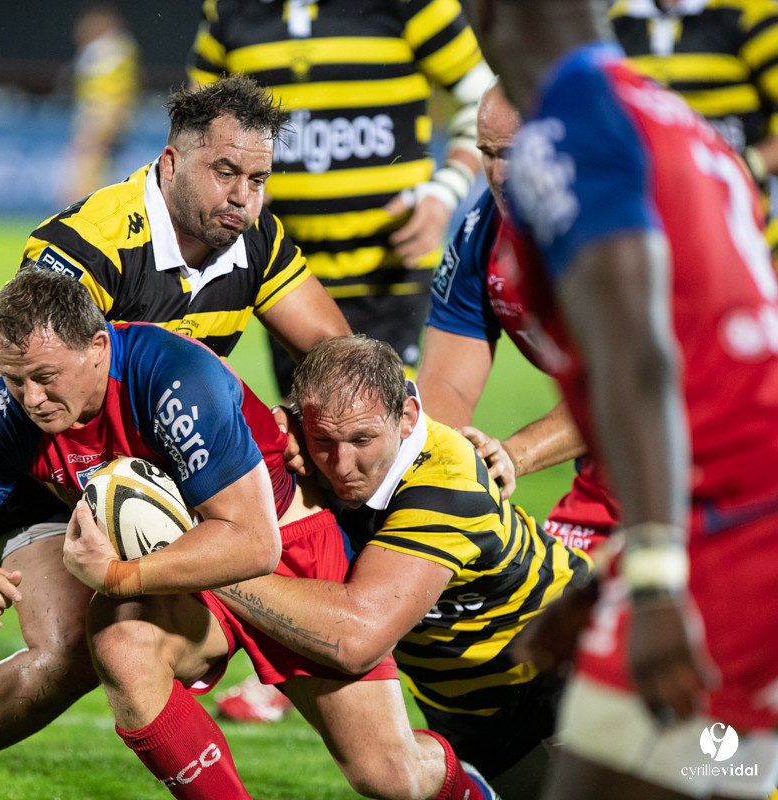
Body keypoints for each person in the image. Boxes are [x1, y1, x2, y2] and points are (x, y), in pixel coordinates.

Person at [0, 74, 350, 800]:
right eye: (224, 171)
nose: (242, 195)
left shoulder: (253, 240)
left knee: (73, 649)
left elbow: (332, 347)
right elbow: (16, 397)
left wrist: (309, 415)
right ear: (170, 164)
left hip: (85, 468)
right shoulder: (86, 246)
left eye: (257, 178)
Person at [0, 269, 499, 800]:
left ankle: (469, 793)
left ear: (99, 347)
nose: (32, 398)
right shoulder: (11, 411)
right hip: (188, 570)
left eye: (47, 378)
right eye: (15, 380)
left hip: (285, 549)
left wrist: (122, 575)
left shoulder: (173, 379)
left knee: (389, 776)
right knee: (122, 643)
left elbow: (251, 544)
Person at [470, 1, 778, 798]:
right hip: (728, 511)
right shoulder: (669, 117)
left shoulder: (572, 130)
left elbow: (640, 357)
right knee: (702, 773)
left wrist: (653, 574)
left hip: (734, 530)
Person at [175, 334, 592, 800]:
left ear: (408, 416)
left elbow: (357, 639)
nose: (342, 464)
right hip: (461, 705)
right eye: (323, 440)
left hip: (569, 661)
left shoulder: (448, 482)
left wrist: (212, 565)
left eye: (362, 439)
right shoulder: (304, 445)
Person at [187, 0, 495, 395]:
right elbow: (195, 126)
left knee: (389, 431)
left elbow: (485, 99)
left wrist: (445, 191)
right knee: (317, 432)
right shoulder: (228, 9)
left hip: (390, 268)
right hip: (283, 274)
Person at [418, 80, 619, 554]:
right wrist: (438, 466)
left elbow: (627, 382)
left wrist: (514, 453)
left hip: (716, 444)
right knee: (562, 611)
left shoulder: (619, 227)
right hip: (616, 459)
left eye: (515, 152)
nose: (499, 172)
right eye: (488, 152)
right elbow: (447, 386)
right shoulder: (479, 235)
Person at [609, 0, 778, 250]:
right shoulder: (615, 24)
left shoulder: (750, 15)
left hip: (751, 239)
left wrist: (744, 166)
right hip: (657, 243)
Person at [59, 1, 141, 204]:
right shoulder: (108, 51)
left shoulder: (109, 52)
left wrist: (101, 128)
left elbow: (115, 96)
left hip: (99, 124)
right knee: (92, 179)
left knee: (83, 181)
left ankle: (79, 227)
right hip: (100, 124)